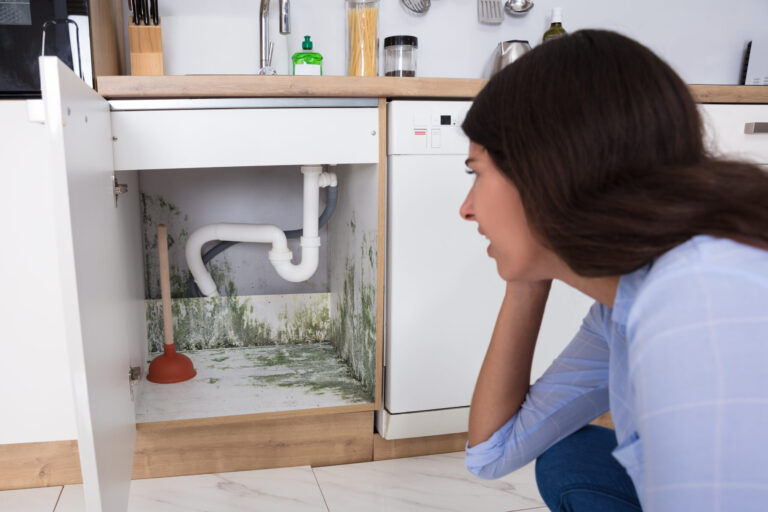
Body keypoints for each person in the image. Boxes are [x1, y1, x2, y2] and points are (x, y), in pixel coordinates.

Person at [459, 29, 768, 512]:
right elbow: (490, 454)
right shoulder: (622, 306)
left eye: (475, 172)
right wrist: (526, 276)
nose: (466, 208)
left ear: (547, 169)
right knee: (570, 459)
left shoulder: (700, 304)